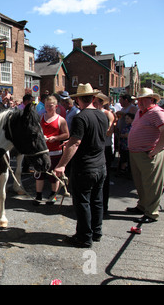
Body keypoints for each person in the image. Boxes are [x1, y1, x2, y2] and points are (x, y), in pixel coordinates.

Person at [54, 83, 108, 248]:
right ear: (93, 98)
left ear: (77, 100)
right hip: (100, 165)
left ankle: (84, 237)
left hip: (85, 167)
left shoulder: (80, 117)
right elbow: (90, 138)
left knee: (82, 202)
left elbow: (76, 142)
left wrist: (61, 165)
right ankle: (96, 232)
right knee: (96, 200)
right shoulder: (103, 115)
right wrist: (69, 144)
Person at [126, 88, 164, 223]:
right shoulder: (140, 112)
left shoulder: (157, 112)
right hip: (137, 152)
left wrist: (155, 151)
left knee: (151, 184)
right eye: (138, 99)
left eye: (143, 99)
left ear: (152, 99)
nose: (140, 102)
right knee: (140, 182)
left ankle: (152, 212)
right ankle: (143, 206)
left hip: (148, 153)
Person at [34, 95, 69, 205]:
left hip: (55, 152)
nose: (48, 108)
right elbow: (36, 131)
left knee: (53, 176)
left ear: (56, 106)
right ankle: (38, 195)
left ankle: (53, 195)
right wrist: (41, 137)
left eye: (51, 106)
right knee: (40, 174)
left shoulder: (61, 120)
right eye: (46, 106)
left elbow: (67, 134)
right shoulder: (41, 118)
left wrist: (56, 138)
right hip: (42, 152)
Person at [93, 92, 116, 214]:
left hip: (105, 148)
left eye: (96, 102)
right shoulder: (92, 113)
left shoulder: (108, 114)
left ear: (102, 103)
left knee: (104, 177)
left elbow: (109, 131)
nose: (94, 104)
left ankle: (104, 206)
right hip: (96, 148)